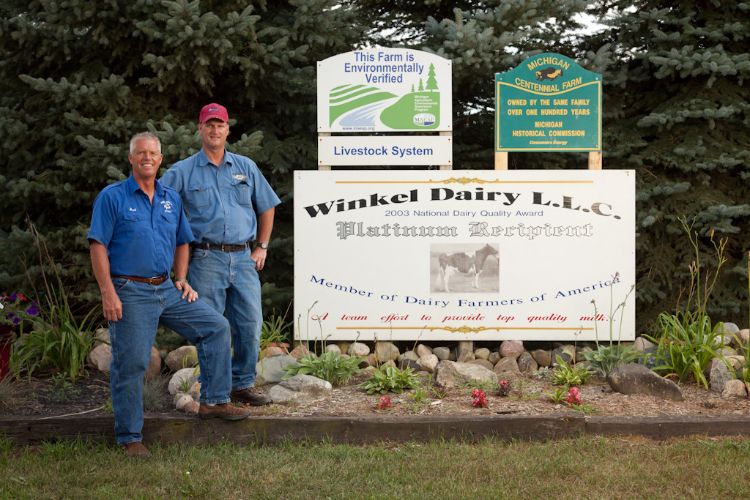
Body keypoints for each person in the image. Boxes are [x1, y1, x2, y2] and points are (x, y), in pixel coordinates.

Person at [88, 132, 252, 458]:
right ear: (131, 158)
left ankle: (214, 402)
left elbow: (182, 240)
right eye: (141, 153)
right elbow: (98, 245)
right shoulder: (113, 197)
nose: (147, 158)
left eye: (153, 153)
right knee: (132, 363)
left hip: (166, 288)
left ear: (160, 159)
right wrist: (108, 292)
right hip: (129, 291)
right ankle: (129, 437)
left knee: (216, 327)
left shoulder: (169, 198)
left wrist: (181, 278)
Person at [161, 104, 281, 406]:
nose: (215, 130)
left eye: (220, 125)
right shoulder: (183, 171)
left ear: (228, 130)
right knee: (212, 327)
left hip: (243, 259)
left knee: (250, 325)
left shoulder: (246, 167)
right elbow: (159, 204)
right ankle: (215, 392)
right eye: (209, 125)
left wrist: (262, 246)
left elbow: (267, 205)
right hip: (205, 259)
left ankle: (241, 385)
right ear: (199, 129)